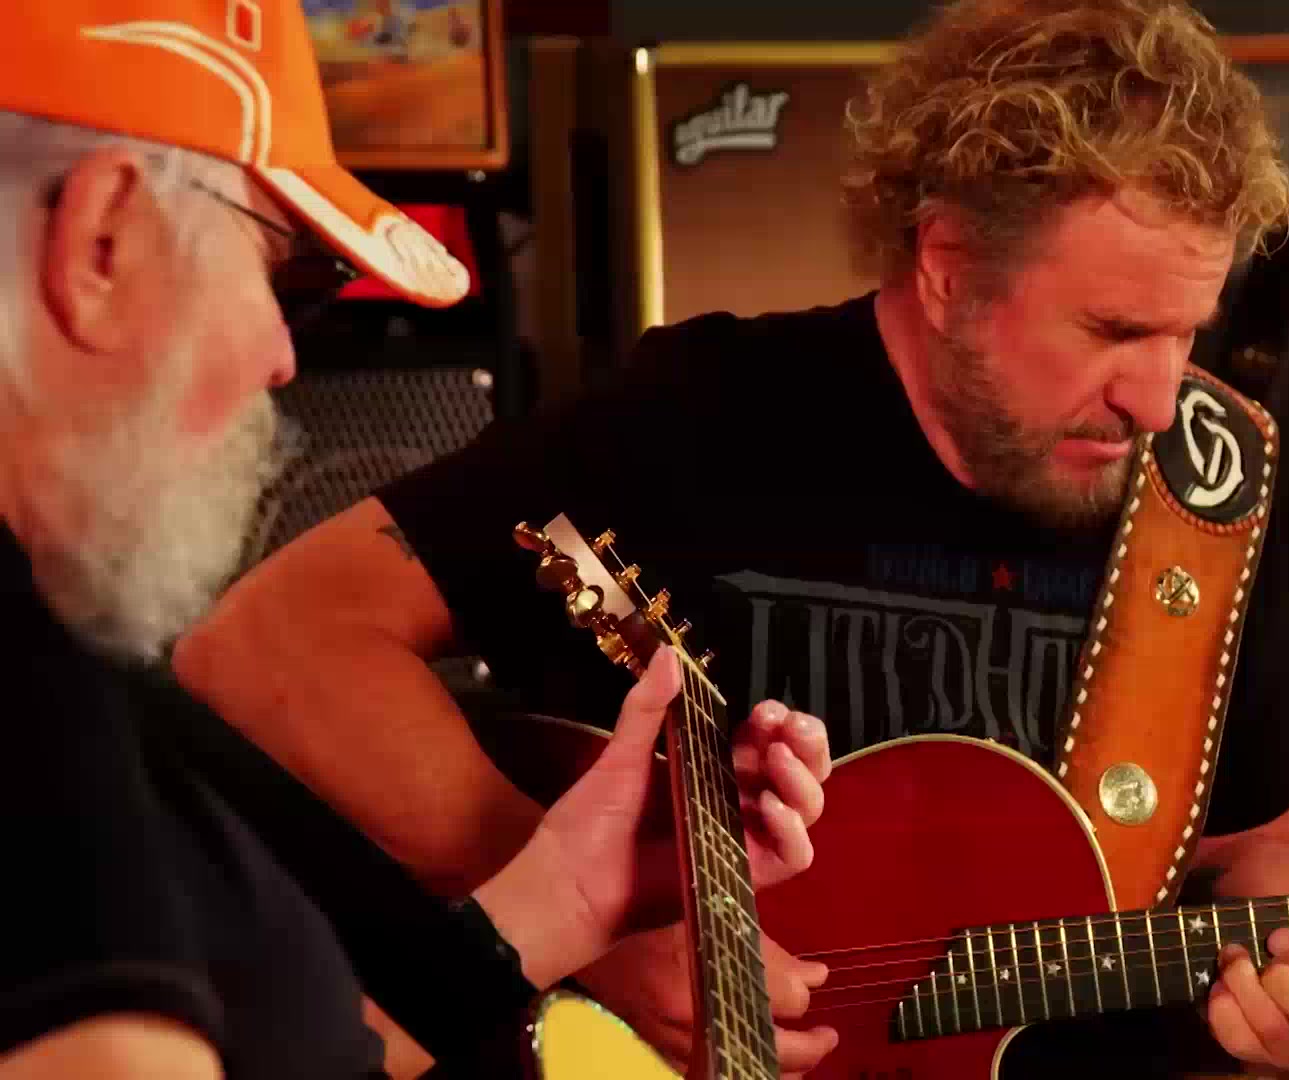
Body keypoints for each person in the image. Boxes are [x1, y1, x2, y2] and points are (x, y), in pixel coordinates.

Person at [177, 0, 1289, 1073]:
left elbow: (1256, 847)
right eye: (1116, 331)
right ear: (949, 267)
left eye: (1187, 332)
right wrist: (589, 929)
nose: (1160, 399)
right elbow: (273, 643)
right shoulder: (697, 419)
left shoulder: (1201, 485)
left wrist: (1288, 992)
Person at [0, 3, 830, 1078]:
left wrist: (575, 895)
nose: (282, 357)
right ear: (103, 242)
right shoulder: (29, 713)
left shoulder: (90, 692)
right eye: (281, 272)